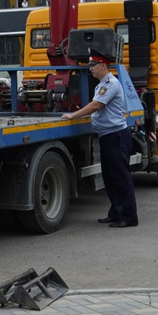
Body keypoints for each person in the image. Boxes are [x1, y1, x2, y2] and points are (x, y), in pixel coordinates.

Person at [61, 50, 138, 228]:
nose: (91, 69)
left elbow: (96, 105)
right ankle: (116, 212)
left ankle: (129, 216)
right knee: (110, 178)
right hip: (107, 136)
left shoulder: (110, 83)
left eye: (93, 65)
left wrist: (74, 115)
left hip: (116, 136)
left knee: (120, 177)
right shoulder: (101, 84)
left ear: (103, 65)